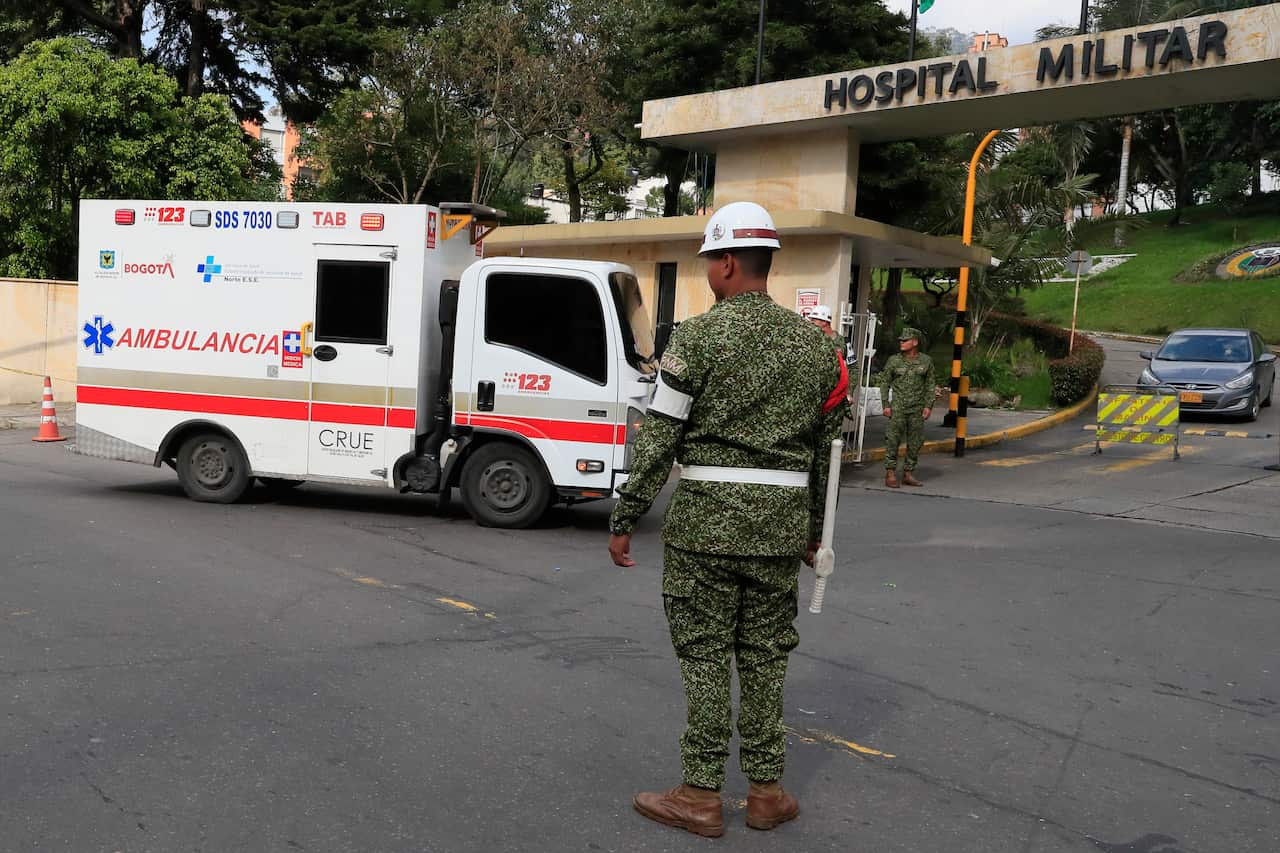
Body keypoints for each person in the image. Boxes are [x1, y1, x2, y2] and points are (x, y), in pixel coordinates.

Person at [607, 201, 848, 838]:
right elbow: (829, 454)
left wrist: (626, 513)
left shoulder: (696, 339)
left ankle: (699, 793)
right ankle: (767, 791)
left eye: (711, 258)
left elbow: (660, 436)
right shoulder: (817, 348)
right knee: (766, 657)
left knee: (708, 655)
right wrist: (814, 534)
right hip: (778, 532)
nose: (710, 268)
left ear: (728, 263)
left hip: (706, 530)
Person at [879, 327, 936, 488]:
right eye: (901, 340)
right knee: (892, 440)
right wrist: (886, 405)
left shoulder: (926, 361)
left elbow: (930, 385)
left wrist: (928, 405)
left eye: (905, 340)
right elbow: (885, 383)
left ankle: (908, 473)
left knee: (915, 441)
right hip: (898, 408)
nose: (901, 343)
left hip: (917, 409)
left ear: (915, 342)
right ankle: (890, 473)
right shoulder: (894, 361)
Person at [807, 304, 858, 413]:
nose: (810, 323)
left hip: (836, 396)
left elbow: (853, 368)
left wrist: (849, 393)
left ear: (824, 322)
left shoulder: (843, 343)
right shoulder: (813, 341)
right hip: (816, 396)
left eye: (814, 320)